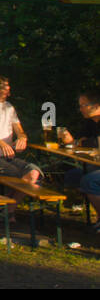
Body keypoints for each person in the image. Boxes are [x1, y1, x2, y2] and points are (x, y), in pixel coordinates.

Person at [58, 87, 100, 232]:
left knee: (89, 180)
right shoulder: (90, 122)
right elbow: (81, 143)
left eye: (84, 105)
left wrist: (81, 143)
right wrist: (70, 141)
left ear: (96, 106)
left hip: (96, 166)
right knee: (73, 175)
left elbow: (92, 143)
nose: (80, 109)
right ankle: (80, 208)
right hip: (94, 164)